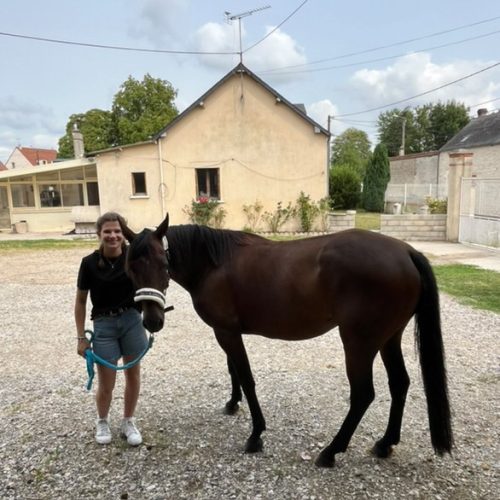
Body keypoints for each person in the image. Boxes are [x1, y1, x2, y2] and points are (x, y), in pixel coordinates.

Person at [75, 212, 147, 446]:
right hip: (104, 325)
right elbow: (81, 301)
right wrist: (80, 338)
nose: (113, 235)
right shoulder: (88, 263)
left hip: (132, 321)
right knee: (107, 382)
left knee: (133, 375)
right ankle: (103, 420)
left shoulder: (134, 258)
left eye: (117, 231)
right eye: (108, 231)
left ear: (123, 234)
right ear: (99, 234)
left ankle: (128, 421)